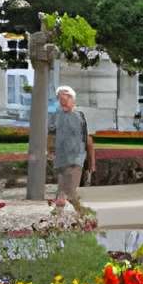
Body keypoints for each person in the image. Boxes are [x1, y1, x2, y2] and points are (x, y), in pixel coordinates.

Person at [48, 83, 91, 212]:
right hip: (61, 159)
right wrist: (49, 149)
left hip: (76, 159)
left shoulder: (79, 116)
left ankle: (83, 216)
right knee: (62, 192)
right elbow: (50, 132)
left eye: (65, 100)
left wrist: (90, 161)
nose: (63, 103)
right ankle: (59, 220)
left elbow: (87, 138)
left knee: (70, 191)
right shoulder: (57, 115)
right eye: (61, 101)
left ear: (72, 99)